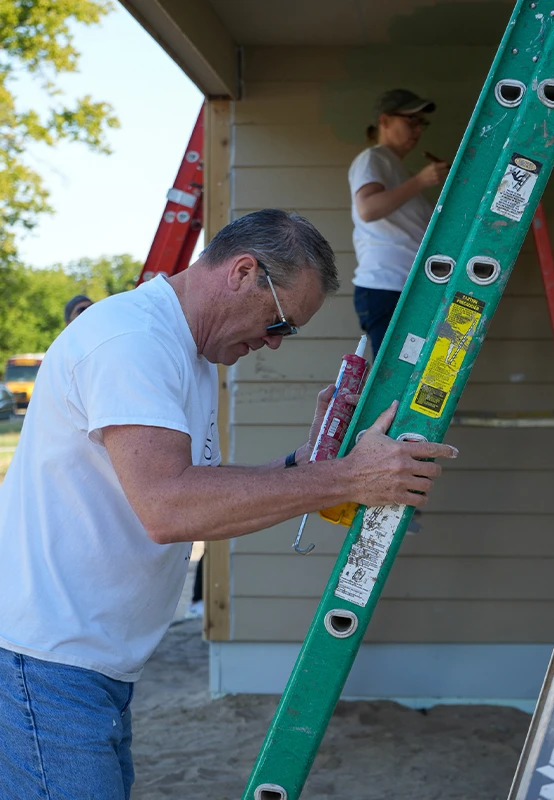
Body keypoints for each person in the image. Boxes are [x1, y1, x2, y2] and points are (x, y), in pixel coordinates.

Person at [0, 209, 458, 799]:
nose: (272, 341)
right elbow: (171, 508)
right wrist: (346, 480)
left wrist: (312, 465)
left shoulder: (180, 348)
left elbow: (200, 494)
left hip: (83, 664)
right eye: (279, 323)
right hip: (47, 663)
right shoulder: (132, 343)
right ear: (244, 272)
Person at [350, 88, 450, 358]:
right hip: (387, 287)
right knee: (393, 377)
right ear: (384, 121)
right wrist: (420, 181)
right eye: (410, 121)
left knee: (405, 374)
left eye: (421, 123)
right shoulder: (373, 158)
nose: (417, 130)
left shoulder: (394, 167)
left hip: (403, 288)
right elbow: (368, 209)